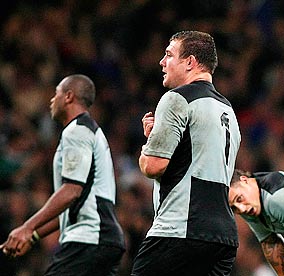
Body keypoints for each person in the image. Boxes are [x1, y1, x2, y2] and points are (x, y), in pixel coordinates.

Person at [132, 31, 241, 276]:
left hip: (181, 228)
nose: (162, 62)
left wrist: (146, 149)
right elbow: (195, 158)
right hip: (223, 237)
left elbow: (153, 166)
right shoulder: (227, 110)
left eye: (169, 55)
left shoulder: (177, 99)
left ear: (190, 62)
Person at [0, 74, 126, 275]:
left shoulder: (76, 132)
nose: (52, 99)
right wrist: (32, 236)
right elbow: (74, 205)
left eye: (56, 94)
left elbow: (71, 191)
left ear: (68, 96)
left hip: (88, 240)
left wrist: (26, 226)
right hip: (102, 239)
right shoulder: (92, 132)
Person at [229, 169, 284, 276]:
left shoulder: (277, 199)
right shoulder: (250, 199)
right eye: (234, 208)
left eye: (239, 199)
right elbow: (271, 242)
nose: (241, 209)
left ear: (244, 180)